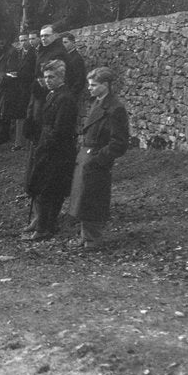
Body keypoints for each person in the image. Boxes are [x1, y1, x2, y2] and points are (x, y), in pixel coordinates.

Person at [67, 67, 131, 250]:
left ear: (106, 85)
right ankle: (85, 236)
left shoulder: (115, 109)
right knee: (82, 198)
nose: (89, 88)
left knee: (93, 199)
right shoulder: (98, 102)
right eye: (89, 84)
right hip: (86, 157)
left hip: (96, 160)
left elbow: (119, 142)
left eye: (94, 85)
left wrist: (99, 159)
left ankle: (93, 239)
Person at [21, 61, 77, 242]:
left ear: (61, 77)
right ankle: (44, 223)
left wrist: (45, 144)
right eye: (46, 77)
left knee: (50, 190)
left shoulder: (65, 98)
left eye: (52, 77)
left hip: (58, 151)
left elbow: (61, 129)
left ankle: (45, 227)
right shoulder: (52, 95)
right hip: (48, 147)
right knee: (44, 187)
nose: (48, 80)